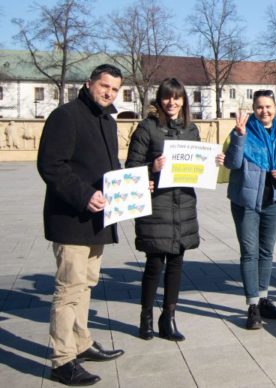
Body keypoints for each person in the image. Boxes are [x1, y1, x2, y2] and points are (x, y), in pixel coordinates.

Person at [37, 64, 126, 386]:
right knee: (68, 290)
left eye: (115, 89)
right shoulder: (67, 115)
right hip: (71, 219)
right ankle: (62, 359)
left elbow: (111, 168)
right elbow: (50, 165)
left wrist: (132, 188)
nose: (109, 93)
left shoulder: (107, 120)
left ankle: (82, 342)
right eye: (104, 86)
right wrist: (84, 194)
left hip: (97, 220)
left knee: (86, 285)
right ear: (89, 84)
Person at [126, 78, 224, 341]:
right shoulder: (147, 128)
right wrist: (151, 168)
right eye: (167, 97)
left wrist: (212, 162)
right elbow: (130, 167)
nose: (172, 102)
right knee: (154, 264)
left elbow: (198, 168)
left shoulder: (190, 129)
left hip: (184, 206)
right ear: (160, 100)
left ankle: (168, 318)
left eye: (177, 98)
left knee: (177, 265)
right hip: (157, 206)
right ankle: (145, 318)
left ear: (184, 101)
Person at [224, 90, 276, 329]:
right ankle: (252, 306)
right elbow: (232, 163)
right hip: (246, 202)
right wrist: (239, 137)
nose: (264, 111)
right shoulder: (243, 130)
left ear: (275, 107)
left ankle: (264, 298)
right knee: (250, 252)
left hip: (274, 201)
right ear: (253, 108)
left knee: (267, 251)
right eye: (259, 107)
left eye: (268, 107)